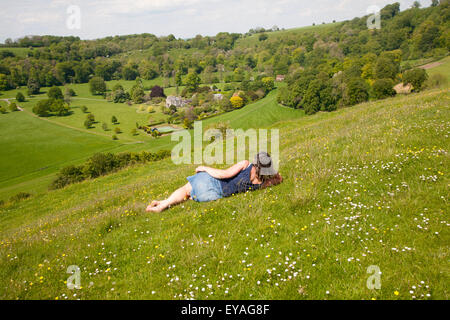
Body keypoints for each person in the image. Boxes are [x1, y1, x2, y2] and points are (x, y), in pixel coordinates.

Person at [146, 152, 283, 213]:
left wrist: (204, 168)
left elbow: (224, 175)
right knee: (189, 193)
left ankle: (161, 206)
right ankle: (163, 202)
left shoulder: (245, 164)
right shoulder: (262, 183)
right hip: (215, 195)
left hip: (213, 184)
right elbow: (279, 179)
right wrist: (271, 171)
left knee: (186, 188)